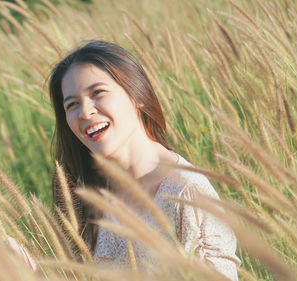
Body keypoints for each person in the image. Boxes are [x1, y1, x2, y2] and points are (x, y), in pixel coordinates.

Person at [47, 40, 241, 280]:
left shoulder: (188, 193)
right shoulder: (85, 192)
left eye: (98, 93)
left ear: (136, 94)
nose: (85, 112)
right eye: (72, 104)